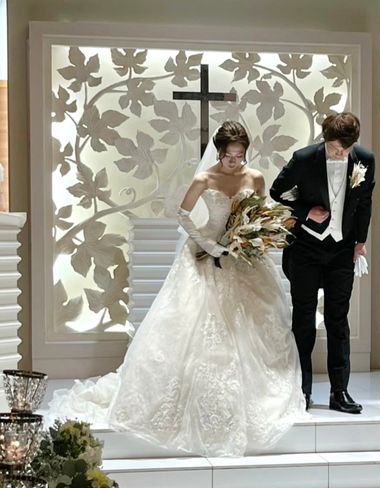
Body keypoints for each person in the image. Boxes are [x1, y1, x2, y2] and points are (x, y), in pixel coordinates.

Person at [48, 121, 307, 456]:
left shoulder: (255, 177)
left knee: (255, 323)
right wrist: (209, 245)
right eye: (229, 156)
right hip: (206, 252)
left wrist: (249, 237)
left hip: (242, 255)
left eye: (240, 156)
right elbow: (183, 214)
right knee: (194, 323)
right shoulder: (204, 179)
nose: (234, 162)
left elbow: (257, 213)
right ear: (219, 152)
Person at [271, 112, 375, 414]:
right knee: (303, 318)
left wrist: (360, 242)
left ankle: (339, 391)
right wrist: (305, 211)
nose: (339, 154)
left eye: (344, 149)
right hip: (305, 248)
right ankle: (301, 390)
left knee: (338, 320)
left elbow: (365, 202)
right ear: (325, 139)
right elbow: (277, 191)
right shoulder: (304, 158)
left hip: (342, 250)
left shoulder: (365, 159)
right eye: (333, 148)